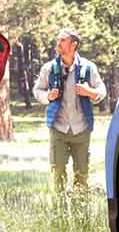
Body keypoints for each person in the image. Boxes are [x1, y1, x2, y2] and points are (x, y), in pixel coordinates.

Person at [37, 29, 106, 193]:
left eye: (62, 40)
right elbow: (37, 90)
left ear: (73, 44)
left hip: (81, 129)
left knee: (82, 173)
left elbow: (102, 91)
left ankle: (79, 208)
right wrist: (48, 96)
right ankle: (60, 209)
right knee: (58, 170)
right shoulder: (49, 68)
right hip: (58, 129)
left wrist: (89, 92)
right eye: (57, 40)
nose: (58, 43)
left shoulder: (89, 68)